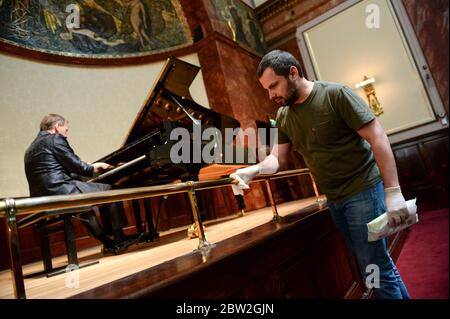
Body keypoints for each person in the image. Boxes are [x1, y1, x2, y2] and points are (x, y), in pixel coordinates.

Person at [230, 50, 411, 299]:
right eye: (266, 89)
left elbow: (377, 137)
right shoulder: (283, 116)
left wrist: (393, 192)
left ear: (293, 72)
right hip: (335, 200)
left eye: (274, 86)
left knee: (374, 269)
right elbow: (277, 159)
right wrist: (254, 170)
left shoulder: (335, 94)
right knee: (378, 265)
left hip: (363, 191)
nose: (270, 95)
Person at [24, 114, 141, 254]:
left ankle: (108, 243)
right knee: (111, 190)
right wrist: (92, 167)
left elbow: (56, 170)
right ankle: (120, 238)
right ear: (56, 127)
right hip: (62, 191)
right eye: (66, 130)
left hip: (42, 199)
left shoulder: (30, 149)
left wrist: (87, 166)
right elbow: (77, 166)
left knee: (85, 206)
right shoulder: (55, 139)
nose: (66, 135)